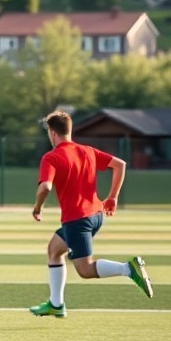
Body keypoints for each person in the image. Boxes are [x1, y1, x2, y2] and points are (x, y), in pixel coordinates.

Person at [29, 109, 153, 318]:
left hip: (77, 219)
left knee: (85, 270)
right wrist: (112, 196)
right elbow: (119, 165)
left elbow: (45, 188)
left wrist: (37, 207)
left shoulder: (51, 157)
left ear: (52, 133)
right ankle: (56, 304)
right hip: (95, 215)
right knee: (54, 250)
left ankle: (128, 269)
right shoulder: (87, 151)